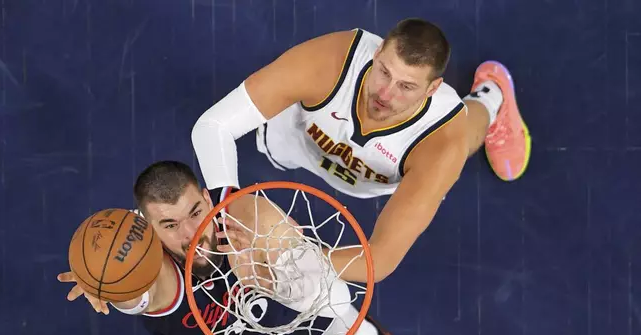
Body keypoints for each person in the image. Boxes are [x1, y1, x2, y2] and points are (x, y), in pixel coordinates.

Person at [190, 18, 531, 283]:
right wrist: (226, 221)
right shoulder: (332, 60)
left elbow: (379, 261)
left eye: (407, 86)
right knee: (270, 149)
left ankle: (493, 96)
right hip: (297, 142)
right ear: (378, 51)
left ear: (432, 88)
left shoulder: (441, 138)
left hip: (377, 180)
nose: (385, 93)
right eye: (384, 71)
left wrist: (289, 261)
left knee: (468, 134)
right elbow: (213, 127)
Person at [58, 160, 437, 335]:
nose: (190, 235)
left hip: (268, 304)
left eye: (194, 212)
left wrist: (285, 267)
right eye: (169, 225)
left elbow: (326, 272)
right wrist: (106, 285)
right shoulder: (149, 270)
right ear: (148, 227)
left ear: (208, 199)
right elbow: (135, 296)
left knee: (341, 314)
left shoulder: (247, 217)